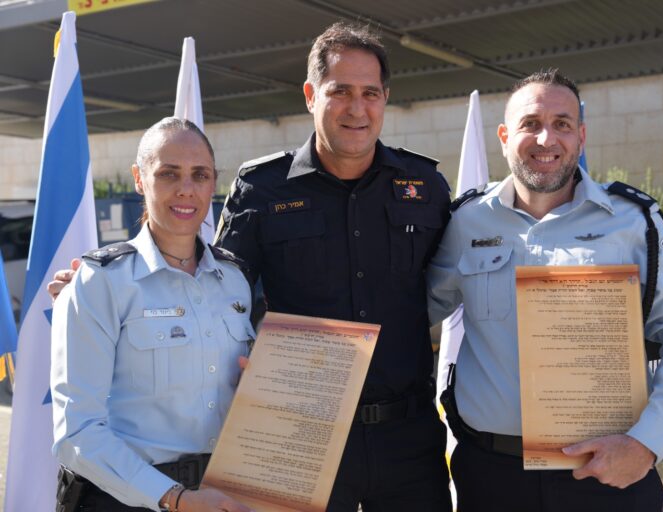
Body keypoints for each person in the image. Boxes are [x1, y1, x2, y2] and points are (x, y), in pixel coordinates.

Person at [49, 23, 452, 512]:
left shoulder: (425, 186)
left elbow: (455, 278)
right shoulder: (263, 190)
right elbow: (214, 282)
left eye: (370, 93)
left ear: (385, 97)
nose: (356, 107)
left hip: (408, 438)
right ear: (311, 95)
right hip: (301, 437)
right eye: (340, 91)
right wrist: (94, 288)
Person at [426, 69, 663, 511]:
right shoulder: (467, 222)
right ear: (505, 137)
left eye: (562, 124)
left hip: (607, 475)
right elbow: (413, 310)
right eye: (530, 123)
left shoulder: (633, 222)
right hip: (491, 477)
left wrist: (648, 442)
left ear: (580, 137)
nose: (546, 138)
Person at [51, 118, 255, 512]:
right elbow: (77, 432)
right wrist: (175, 498)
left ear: (214, 183)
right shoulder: (101, 281)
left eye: (200, 175)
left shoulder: (234, 281)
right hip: (126, 499)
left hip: (218, 495)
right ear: (139, 179)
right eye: (168, 173)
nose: (186, 189)